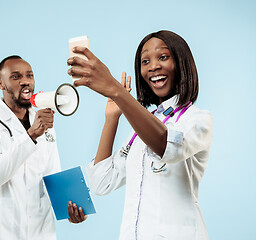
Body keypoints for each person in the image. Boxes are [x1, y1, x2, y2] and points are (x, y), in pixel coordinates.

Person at [67, 30, 213, 239]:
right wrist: (112, 118)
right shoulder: (140, 131)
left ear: (181, 63)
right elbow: (102, 181)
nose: (153, 66)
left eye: (163, 57)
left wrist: (116, 91)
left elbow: (167, 146)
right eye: (145, 61)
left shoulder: (198, 120)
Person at [0, 55, 86, 240]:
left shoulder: (44, 123)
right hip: (2, 231)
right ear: (0, 84)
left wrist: (70, 210)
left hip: (42, 232)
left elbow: (52, 176)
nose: (25, 81)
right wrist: (31, 135)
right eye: (15, 77)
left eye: (29, 75)